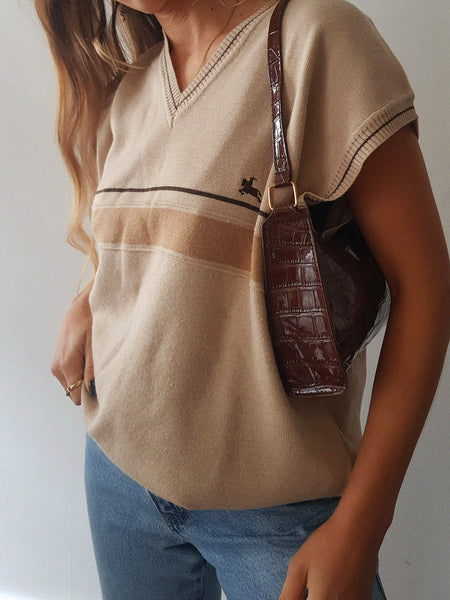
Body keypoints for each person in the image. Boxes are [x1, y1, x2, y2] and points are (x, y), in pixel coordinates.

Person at [37, 0, 449, 598]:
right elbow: (156, 247)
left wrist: (362, 527)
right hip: (117, 477)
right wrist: (88, 297)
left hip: (276, 510)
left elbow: (426, 287)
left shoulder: (318, 39)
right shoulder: (133, 85)